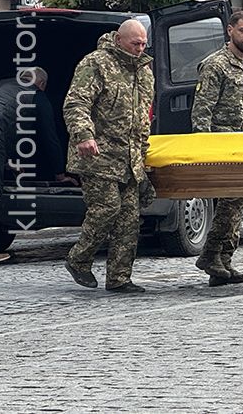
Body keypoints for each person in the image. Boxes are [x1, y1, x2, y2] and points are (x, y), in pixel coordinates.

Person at [63, 19, 154, 292]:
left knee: (129, 219)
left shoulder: (145, 72)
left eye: (143, 44)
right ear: (118, 40)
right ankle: (79, 259)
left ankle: (119, 278)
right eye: (134, 43)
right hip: (98, 155)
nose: (139, 49)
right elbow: (76, 102)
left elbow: (143, 118)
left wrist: (144, 155)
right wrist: (83, 135)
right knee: (107, 209)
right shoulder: (96, 64)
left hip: (129, 158)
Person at [189, 10, 243, 286]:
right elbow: (201, 111)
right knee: (232, 201)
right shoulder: (215, 65)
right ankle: (212, 255)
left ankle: (221, 263)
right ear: (230, 31)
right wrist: (203, 150)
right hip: (220, 143)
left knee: (238, 202)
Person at [0, 67, 66, 264]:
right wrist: (59, 173)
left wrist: (6, 162)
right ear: (42, 84)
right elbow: (49, 137)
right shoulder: (35, 93)